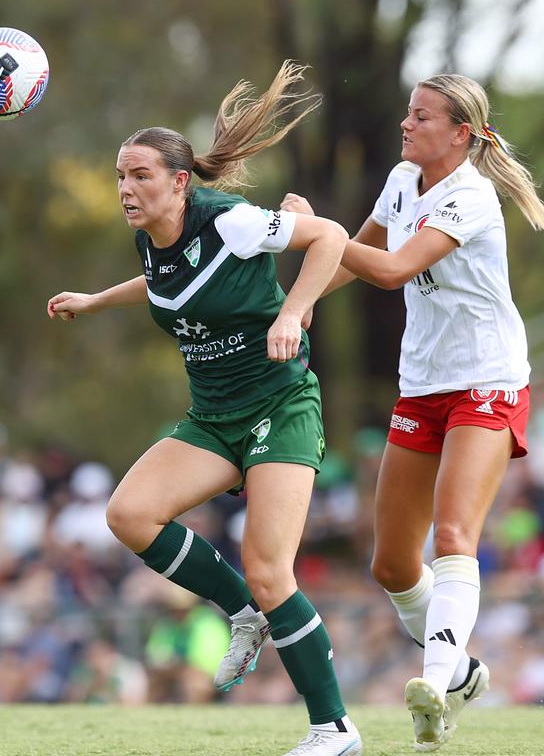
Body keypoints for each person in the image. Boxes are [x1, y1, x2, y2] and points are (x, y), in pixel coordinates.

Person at [46, 61, 361, 756]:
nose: (126, 189)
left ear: (180, 181)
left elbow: (331, 238)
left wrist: (295, 313)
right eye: (120, 177)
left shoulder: (234, 222)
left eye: (140, 176)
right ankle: (241, 614)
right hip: (214, 416)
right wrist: (96, 299)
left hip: (281, 405)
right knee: (128, 514)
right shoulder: (151, 239)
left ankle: (333, 728)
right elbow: (164, 283)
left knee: (272, 568)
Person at [282, 73, 544, 750]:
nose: (407, 125)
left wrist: (314, 230)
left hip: (487, 381)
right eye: (408, 113)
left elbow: (395, 268)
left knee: (456, 534)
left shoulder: (472, 197)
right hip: (423, 384)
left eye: (422, 116)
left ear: (460, 133)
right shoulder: (405, 178)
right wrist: (305, 297)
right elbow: (358, 255)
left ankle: (433, 684)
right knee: (393, 565)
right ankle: (458, 672)